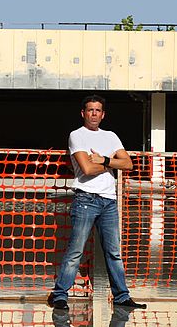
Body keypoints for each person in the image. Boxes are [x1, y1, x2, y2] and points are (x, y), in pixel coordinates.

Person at [48, 94, 145, 310]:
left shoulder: (111, 136)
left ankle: (122, 297)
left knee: (114, 252)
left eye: (98, 110)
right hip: (86, 199)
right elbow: (87, 169)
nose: (94, 114)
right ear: (83, 113)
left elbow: (128, 164)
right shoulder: (77, 135)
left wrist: (104, 160)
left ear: (103, 114)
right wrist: (113, 164)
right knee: (76, 251)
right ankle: (60, 295)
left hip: (109, 201)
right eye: (90, 110)